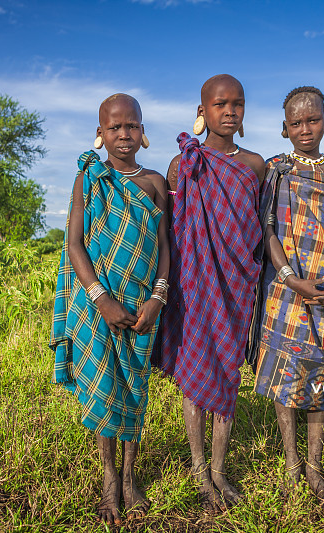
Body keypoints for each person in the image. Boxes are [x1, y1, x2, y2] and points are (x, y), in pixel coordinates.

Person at [50, 93, 170, 524]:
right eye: (114, 127)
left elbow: (165, 247)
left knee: (135, 390)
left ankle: (131, 478)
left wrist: (158, 296)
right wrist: (101, 299)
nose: (124, 134)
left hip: (140, 306)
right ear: (100, 134)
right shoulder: (89, 178)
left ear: (143, 131)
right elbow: (75, 243)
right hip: (97, 302)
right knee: (103, 385)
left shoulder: (155, 182)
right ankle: (107, 479)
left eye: (132, 126)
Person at [156, 74, 265, 512]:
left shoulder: (257, 165)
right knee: (196, 371)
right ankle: (200, 472)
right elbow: (169, 229)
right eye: (220, 104)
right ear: (203, 111)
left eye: (237, 104)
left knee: (228, 373)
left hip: (238, 282)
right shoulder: (182, 165)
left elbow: (259, 229)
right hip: (193, 282)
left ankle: (219, 470)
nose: (230, 111)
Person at [253, 86, 324, 506]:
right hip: (287, 285)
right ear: (284, 129)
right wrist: (292, 278)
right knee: (286, 374)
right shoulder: (274, 170)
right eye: (296, 123)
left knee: (323, 373)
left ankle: (314, 465)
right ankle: (292, 462)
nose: (305, 129)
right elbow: (267, 227)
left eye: (313, 120)